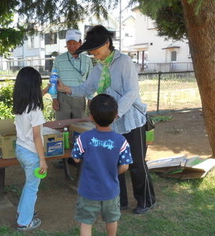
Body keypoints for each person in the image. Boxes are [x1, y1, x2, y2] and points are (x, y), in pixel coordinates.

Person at [57, 25, 156, 214]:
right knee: (116, 163)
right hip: (113, 123)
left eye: (96, 50)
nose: (94, 54)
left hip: (131, 120)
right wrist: (67, 89)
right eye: (92, 52)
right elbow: (86, 88)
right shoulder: (99, 66)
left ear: (107, 44)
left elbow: (132, 91)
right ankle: (121, 201)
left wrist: (116, 112)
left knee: (136, 164)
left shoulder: (124, 62)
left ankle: (147, 200)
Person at [72, 94, 132, 236]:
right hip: (110, 191)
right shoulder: (121, 141)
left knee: (86, 223)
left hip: (88, 190)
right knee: (111, 220)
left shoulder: (83, 138)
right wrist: (112, 172)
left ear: (91, 116)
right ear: (116, 115)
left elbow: (76, 158)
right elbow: (125, 166)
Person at [51, 29, 93, 168]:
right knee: (61, 127)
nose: (71, 46)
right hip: (62, 98)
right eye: (69, 43)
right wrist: (54, 98)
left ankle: (78, 156)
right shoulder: (59, 59)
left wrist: (90, 98)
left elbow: (90, 80)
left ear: (80, 43)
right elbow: (53, 79)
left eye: (74, 43)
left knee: (80, 127)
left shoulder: (87, 60)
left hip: (80, 98)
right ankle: (60, 157)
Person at [12, 67, 48, 231]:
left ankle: (22, 211)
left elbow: (37, 97)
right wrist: (42, 160)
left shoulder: (22, 104)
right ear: (35, 86)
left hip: (20, 149)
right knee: (33, 187)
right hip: (32, 154)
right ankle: (24, 222)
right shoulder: (36, 109)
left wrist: (48, 89)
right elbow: (36, 137)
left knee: (29, 184)